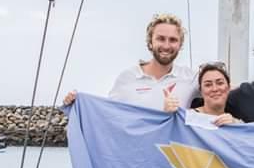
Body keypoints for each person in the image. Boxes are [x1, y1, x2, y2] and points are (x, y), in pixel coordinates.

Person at [63, 13, 196, 111]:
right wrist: (77, 103)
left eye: (173, 40)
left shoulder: (191, 78)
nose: (166, 46)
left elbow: (215, 97)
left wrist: (218, 116)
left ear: (180, 44)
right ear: (150, 42)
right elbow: (107, 115)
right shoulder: (127, 78)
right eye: (161, 39)